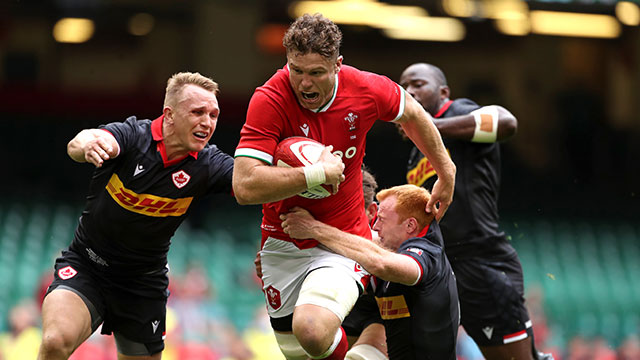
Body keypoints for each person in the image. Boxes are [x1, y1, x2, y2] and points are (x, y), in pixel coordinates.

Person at [232, 13, 456, 360]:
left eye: (316, 73)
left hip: (343, 236)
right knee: (302, 350)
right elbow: (244, 186)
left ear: (337, 65)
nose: (304, 83)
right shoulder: (270, 99)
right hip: (282, 240)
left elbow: (412, 113)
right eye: (296, 70)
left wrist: (446, 169)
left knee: (311, 330)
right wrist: (314, 174)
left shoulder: (365, 88)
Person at [37, 72, 234, 360]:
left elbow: (251, 183)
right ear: (169, 115)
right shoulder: (133, 136)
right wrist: (89, 144)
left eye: (213, 114)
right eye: (197, 112)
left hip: (143, 283)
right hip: (88, 267)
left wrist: (310, 173)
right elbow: (84, 141)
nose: (207, 122)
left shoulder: (209, 164)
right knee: (56, 340)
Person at [399, 62, 551, 360]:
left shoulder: (456, 112)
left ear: (444, 92)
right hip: (446, 265)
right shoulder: (416, 153)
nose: (409, 91)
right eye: (404, 87)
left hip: (479, 260)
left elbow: (507, 122)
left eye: (418, 84)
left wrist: (428, 126)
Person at [281, 184, 460, 359]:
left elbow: (381, 263)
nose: (375, 226)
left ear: (409, 226)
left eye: (382, 219)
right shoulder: (394, 248)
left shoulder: (428, 255)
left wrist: (314, 229)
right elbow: (367, 246)